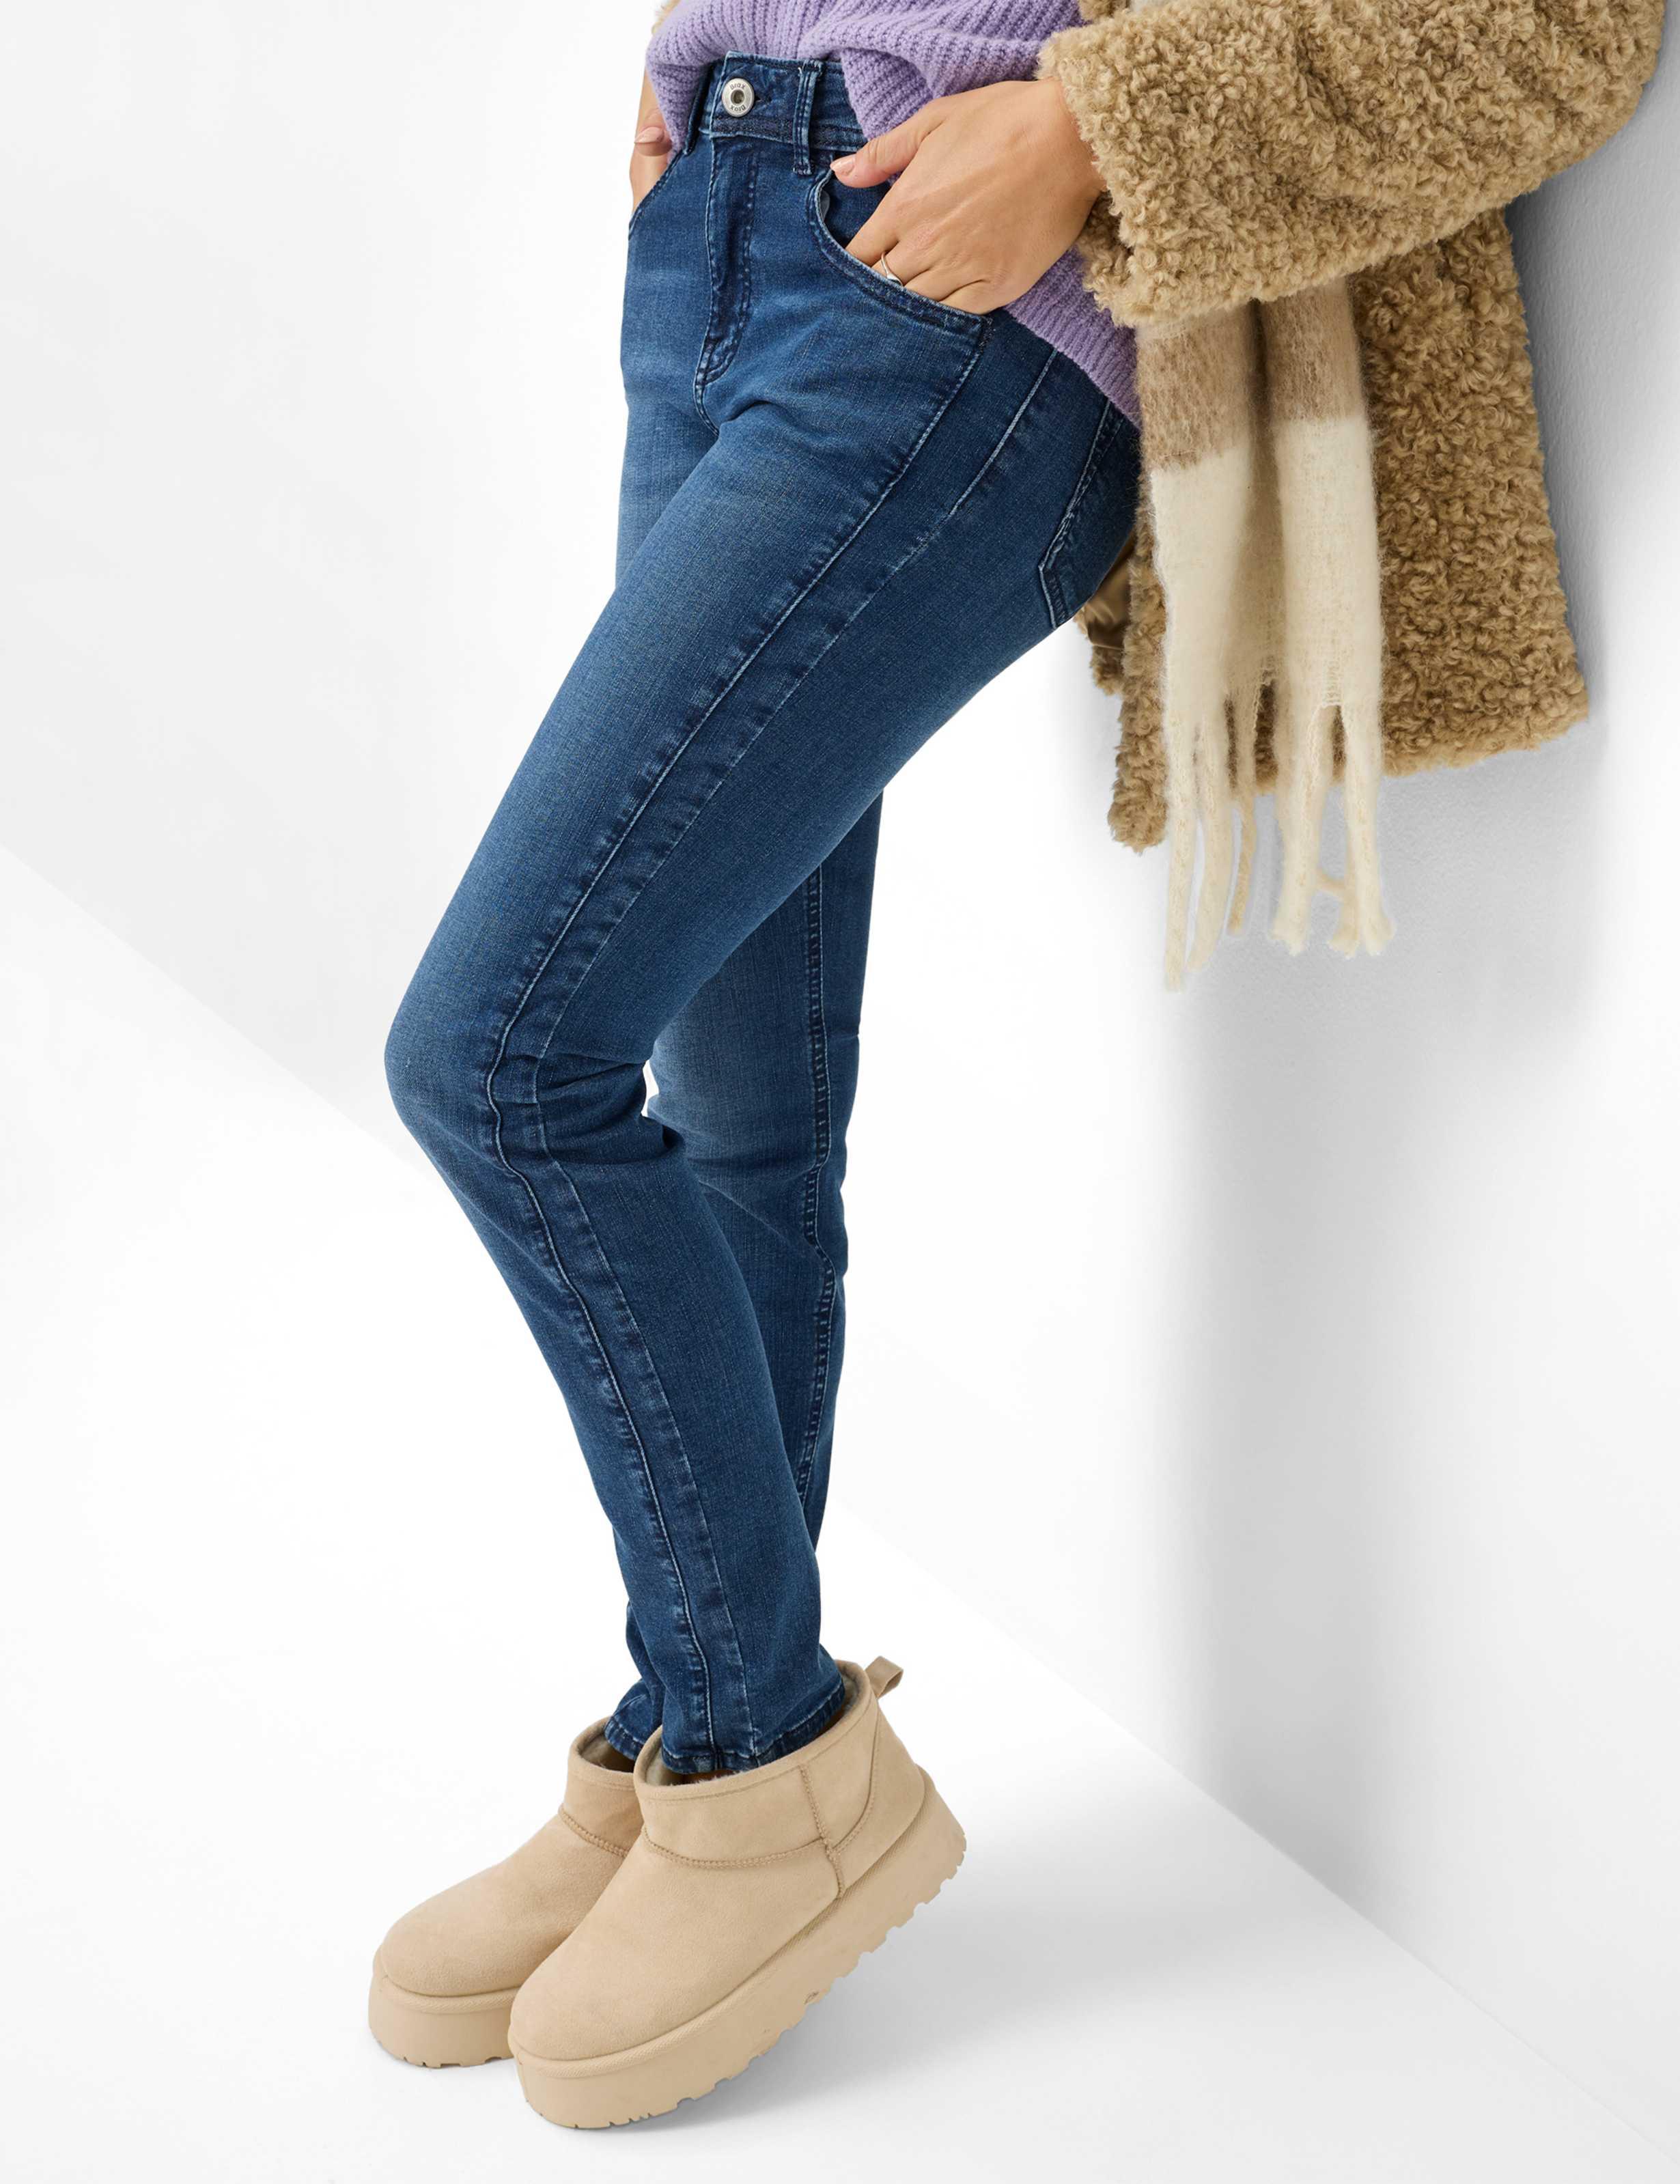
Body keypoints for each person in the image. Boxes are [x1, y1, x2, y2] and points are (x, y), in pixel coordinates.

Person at [367, 0, 1662, 2132]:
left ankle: (776, 1770)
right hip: (717, 230)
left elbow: (1556, 28)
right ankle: (695, 1742)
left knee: (501, 1054)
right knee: (739, 1113)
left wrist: (1088, 124)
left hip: (956, 313)